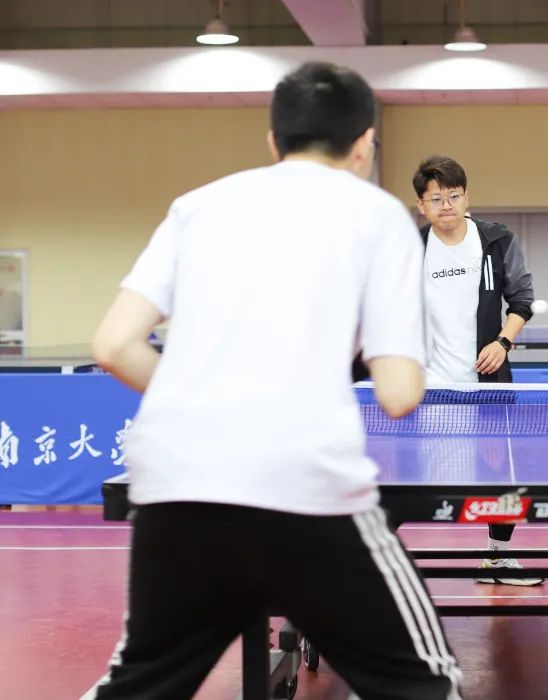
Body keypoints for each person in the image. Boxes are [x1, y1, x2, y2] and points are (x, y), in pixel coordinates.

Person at [82, 62, 462, 700]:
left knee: (139, 686)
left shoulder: (197, 207)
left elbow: (113, 345)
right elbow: (399, 394)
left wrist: (204, 394)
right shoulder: (378, 216)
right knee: (426, 685)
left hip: (178, 488)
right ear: (365, 143)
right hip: (305, 491)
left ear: (272, 140)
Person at [413, 155, 542, 587]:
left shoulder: (496, 239)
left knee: (500, 477)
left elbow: (521, 300)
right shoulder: (410, 248)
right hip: (430, 388)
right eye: (436, 198)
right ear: (422, 205)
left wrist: (502, 342)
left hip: (488, 384)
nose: (446, 205)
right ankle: (383, 565)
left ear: (466, 197)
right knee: (413, 481)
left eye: (454, 196)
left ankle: (498, 558)